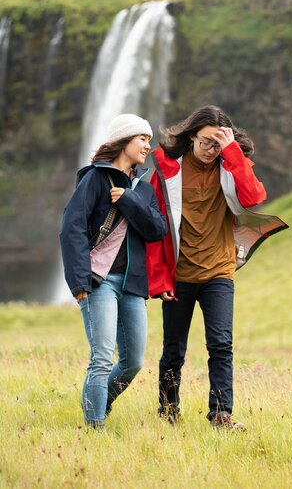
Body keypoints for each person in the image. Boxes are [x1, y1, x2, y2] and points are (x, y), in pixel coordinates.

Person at [146, 105, 288, 430]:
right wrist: (159, 279)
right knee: (173, 348)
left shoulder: (231, 164)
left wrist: (231, 151)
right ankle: (168, 410)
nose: (211, 150)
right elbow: (155, 228)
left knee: (221, 344)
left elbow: (253, 198)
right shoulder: (168, 169)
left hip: (219, 271)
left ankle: (221, 415)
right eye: (207, 142)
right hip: (179, 274)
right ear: (192, 135)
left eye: (217, 144)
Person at [60, 113, 167, 430]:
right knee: (102, 358)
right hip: (98, 281)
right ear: (124, 140)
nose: (148, 145)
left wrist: (131, 201)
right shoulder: (95, 178)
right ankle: (95, 428)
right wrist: (79, 281)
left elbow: (157, 230)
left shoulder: (142, 189)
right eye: (142, 139)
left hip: (133, 286)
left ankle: (99, 406)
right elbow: (72, 228)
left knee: (132, 362)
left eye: (149, 139)